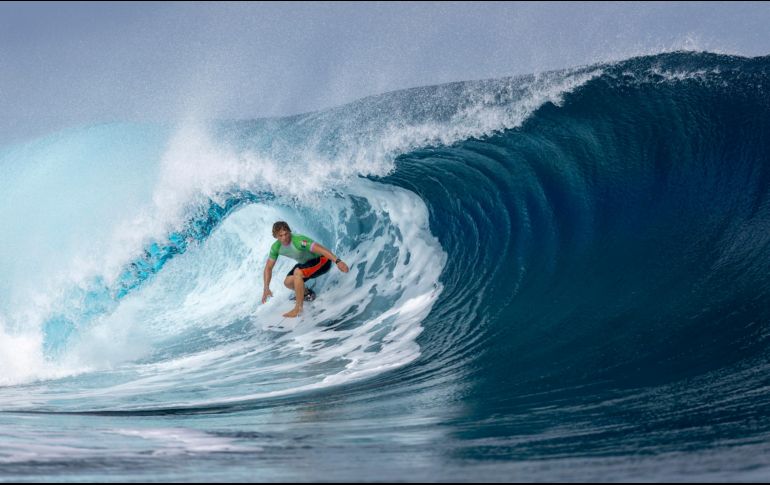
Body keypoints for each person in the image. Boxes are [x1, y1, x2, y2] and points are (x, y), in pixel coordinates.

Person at [262, 221, 349, 318]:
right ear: (276, 236)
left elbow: (321, 249)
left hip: (322, 261)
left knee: (297, 273)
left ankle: (298, 309)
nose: (284, 237)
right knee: (288, 282)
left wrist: (338, 261)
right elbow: (268, 268)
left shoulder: (299, 241)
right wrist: (266, 287)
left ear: (289, 232)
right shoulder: (276, 247)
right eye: (280, 235)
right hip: (306, 263)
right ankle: (307, 294)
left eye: (286, 234)